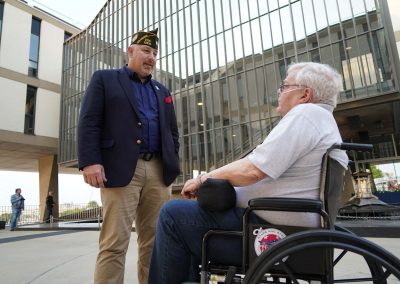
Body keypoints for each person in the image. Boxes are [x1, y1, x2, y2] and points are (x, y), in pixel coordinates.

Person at [148, 62, 349, 283]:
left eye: (285, 86)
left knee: (172, 214)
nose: (279, 92)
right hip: (290, 232)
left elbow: (253, 169)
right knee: (185, 218)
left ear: (305, 94)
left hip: (270, 232)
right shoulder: (323, 122)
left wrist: (203, 178)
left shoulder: (306, 114)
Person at [77, 28, 180, 284]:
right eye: (146, 51)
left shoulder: (162, 90)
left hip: (158, 171)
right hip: (121, 169)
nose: (152, 57)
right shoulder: (105, 79)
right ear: (130, 51)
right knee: (114, 243)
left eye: (155, 53)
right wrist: (90, 161)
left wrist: (172, 159)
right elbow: (89, 121)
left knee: (155, 244)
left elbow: (172, 131)